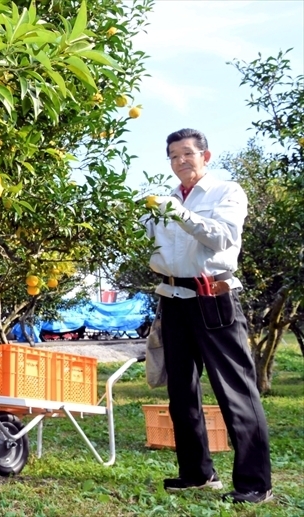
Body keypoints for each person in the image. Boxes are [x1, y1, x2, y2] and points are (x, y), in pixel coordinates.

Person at [142, 128, 272, 504]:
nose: (180, 161)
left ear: (205, 156)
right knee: (181, 391)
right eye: (173, 156)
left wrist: (179, 214)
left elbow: (222, 238)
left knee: (235, 390)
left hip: (213, 296)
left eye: (187, 154)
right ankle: (197, 474)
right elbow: (152, 246)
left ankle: (254, 483)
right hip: (174, 297)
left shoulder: (226, 192)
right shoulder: (164, 200)